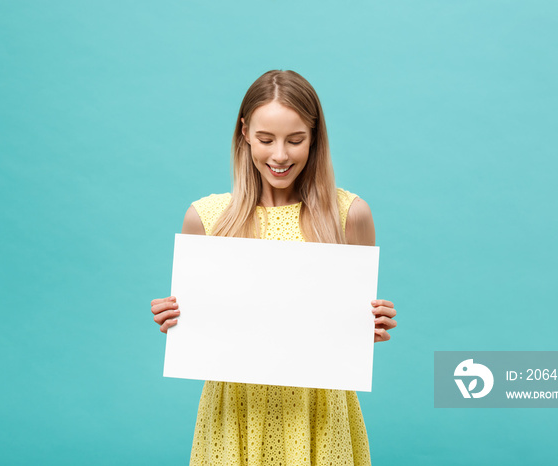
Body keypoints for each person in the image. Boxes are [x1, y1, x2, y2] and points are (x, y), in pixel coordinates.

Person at [151, 70, 397, 465]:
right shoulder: (207, 219)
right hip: (234, 415)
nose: (280, 155)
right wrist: (174, 318)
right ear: (244, 132)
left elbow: (346, 335)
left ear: (315, 137)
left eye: (295, 140)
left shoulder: (348, 215)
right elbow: (201, 327)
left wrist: (368, 327)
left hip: (318, 414)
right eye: (266, 140)